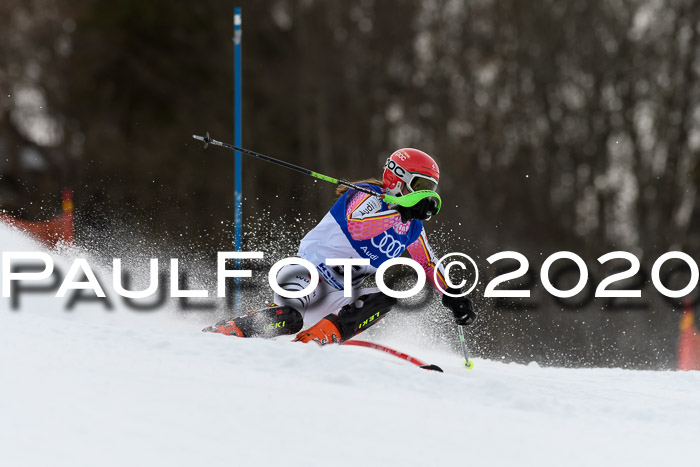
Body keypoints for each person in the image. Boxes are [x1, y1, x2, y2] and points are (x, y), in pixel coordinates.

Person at [203, 148, 476, 344]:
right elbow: (358, 227)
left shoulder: (413, 226)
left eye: (429, 188)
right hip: (307, 274)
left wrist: (452, 295)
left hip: (339, 294)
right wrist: (400, 212)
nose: (423, 194)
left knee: (389, 295)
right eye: (419, 185)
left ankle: (323, 335)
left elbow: (428, 263)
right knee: (289, 319)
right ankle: (233, 329)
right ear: (398, 178)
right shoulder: (368, 197)